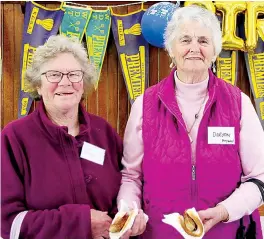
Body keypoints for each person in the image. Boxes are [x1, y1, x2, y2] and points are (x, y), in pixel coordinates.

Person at [118, 5, 264, 239]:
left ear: (215, 49)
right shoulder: (144, 105)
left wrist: (223, 211)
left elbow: (259, 177)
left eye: (204, 41)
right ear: (171, 49)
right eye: (185, 39)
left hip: (226, 232)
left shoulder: (239, 103)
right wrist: (130, 211)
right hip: (161, 233)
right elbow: (131, 176)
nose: (194, 48)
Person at [1, 35, 127, 239]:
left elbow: (127, 189)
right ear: (38, 86)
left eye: (74, 74)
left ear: (83, 83)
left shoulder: (103, 132)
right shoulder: (14, 138)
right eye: (54, 75)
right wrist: (81, 223)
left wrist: (128, 218)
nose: (65, 82)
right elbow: (8, 223)